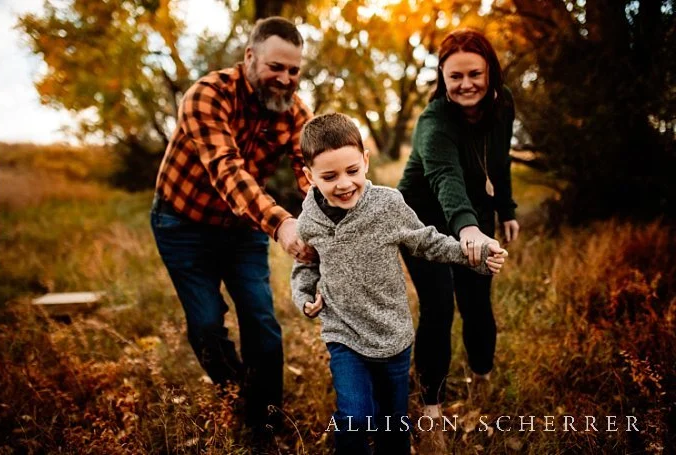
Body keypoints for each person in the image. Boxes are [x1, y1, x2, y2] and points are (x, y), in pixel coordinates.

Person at [287, 113, 503, 454]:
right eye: (329, 176)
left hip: (393, 335)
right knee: (356, 418)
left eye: (352, 171)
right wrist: (304, 296)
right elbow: (305, 268)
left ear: (366, 162)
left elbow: (428, 241)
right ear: (309, 176)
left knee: (392, 423)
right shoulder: (309, 221)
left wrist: (473, 255)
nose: (344, 184)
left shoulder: (387, 205)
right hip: (343, 333)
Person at [149, 17, 316, 437]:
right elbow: (228, 171)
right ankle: (241, 398)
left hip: (242, 229)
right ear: (249, 57)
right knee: (206, 325)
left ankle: (269, 421)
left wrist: (330, 217)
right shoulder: (207, 95)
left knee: (261, 319)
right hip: (181, 222)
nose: (285, 78)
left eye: (293, 70)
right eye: (275, 67)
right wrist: (282, 225)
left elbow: (311, 172)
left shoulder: (297, 113)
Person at [400, 28, 523, 421]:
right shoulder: (433, 122)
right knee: (437, 307)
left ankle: (481, 379)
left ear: (490, 73)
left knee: (476, 301)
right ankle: (431, 409)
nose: (466, 84)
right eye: (456, 76)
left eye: (474, 74)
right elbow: (444, 179)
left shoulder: (503, 107)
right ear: (442, 77)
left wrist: (505, 209)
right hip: (424, 221)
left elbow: (498, 162)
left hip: (475, 214)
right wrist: (467, 228)